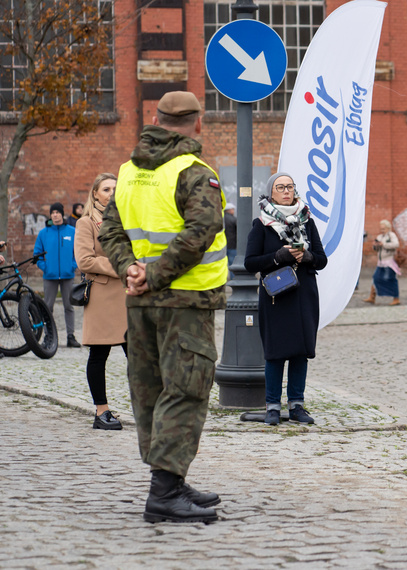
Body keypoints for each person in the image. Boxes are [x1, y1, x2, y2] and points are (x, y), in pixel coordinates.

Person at [99, 91, 226, 524]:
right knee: (186, 390)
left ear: (154, 119)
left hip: (140, 303)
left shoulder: (128, 172)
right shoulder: (194, 172)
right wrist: (152, 275)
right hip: (186, 300)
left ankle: (170, 478)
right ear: (197, 123)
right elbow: (201, 232)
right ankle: (165, 492)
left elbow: (111, 232)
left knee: (149, 389)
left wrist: (130, 270)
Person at [244, 172, 327, 427]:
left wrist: (308, 257)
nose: (287, 191)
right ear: (271, 192)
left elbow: (322, 260)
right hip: (276, 297)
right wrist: (278, 257)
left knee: (301, 351)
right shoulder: (262, 224)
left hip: (304, 295)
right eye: (281, 187)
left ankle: (296, 405)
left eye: (290, 186)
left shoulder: (307, 220)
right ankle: (272, 406)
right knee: (276, 352)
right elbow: (249, 263)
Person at [74, 173, 127, 430]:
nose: (111, 193)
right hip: (103, 296)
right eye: (106, 189)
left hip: (129, 297)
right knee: (99, 354)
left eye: (115, 188)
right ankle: (101, 411)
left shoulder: (128, 220)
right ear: (95, 193)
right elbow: (85, 261)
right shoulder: (86, 223)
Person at [34, 202, 80, 347]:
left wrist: (72, 267)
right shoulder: (44, 233)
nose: (55, 215)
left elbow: (78, 252)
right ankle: (48, 337)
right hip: (50, 276)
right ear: (50, 215)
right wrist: (45, 267)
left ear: (62, 214)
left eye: (57, 212)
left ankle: (70, 337)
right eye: (53, 212)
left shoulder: (72, 231)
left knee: (69, 306)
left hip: (68, 276)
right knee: (48, 307)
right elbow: (37, 255)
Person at [362, 220, 401, 306]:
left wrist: (383, 244)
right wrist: (375, 245)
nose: (382, 230)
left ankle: (396, 298)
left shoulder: (391, 235)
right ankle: (372, 297)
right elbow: (375, 248)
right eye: (381, 228)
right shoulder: (380, 236)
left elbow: (396, 244)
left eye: (383, 228)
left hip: (389, 262)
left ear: (388, 228)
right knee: (375, 278)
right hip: (380, 262)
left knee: (391, 279)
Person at [224, 202, 237, 274]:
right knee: (232, 263)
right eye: (233, 209)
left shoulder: (220, 219)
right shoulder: (233, 219)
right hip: (232, 245)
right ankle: (233, 277)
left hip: (222, 245)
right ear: (229, 210)